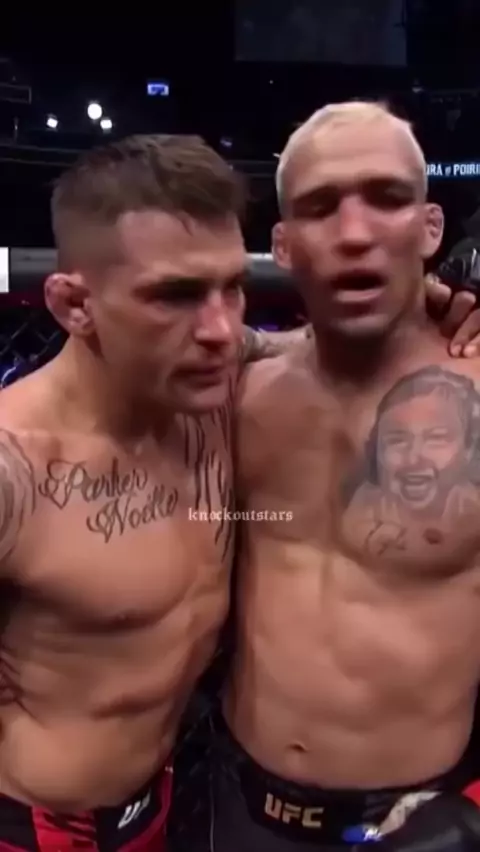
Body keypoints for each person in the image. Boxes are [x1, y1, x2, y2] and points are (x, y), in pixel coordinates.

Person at [0, 131, 475, 852]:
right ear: (73, 305)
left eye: (232, 287)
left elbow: (332, 349)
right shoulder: (17, 464)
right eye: (176, 295)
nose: (221, 329)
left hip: (168, 808)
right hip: (33, 826)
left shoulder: (219, 392)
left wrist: (432, 303)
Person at [206, 102, 480, 851]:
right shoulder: (232, 392)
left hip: (423, 819)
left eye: (387, 198)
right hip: (237, 805)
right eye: (321, 206)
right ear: (283, 245)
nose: (355, 233)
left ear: (431, 228)